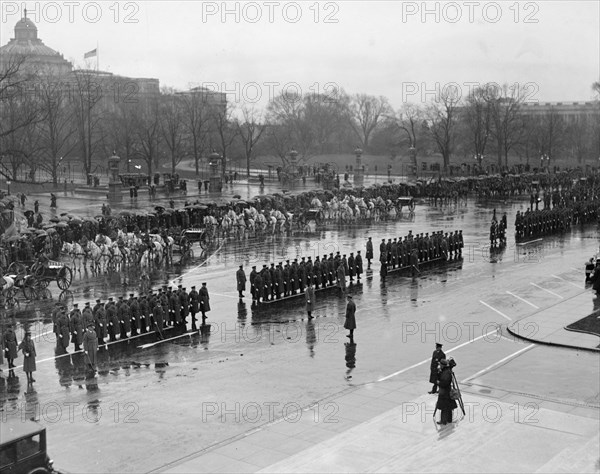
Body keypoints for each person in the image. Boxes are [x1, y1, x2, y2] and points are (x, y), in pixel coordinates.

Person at [436, 358, 457, 425]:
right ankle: (449, 419)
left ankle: (443, 421)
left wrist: (439, 382)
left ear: (443, 365)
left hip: (444, 392)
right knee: (448, 407)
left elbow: (444, 383)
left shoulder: (446, 373)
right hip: (447, 391)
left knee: (444, 407)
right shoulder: (446, 371)